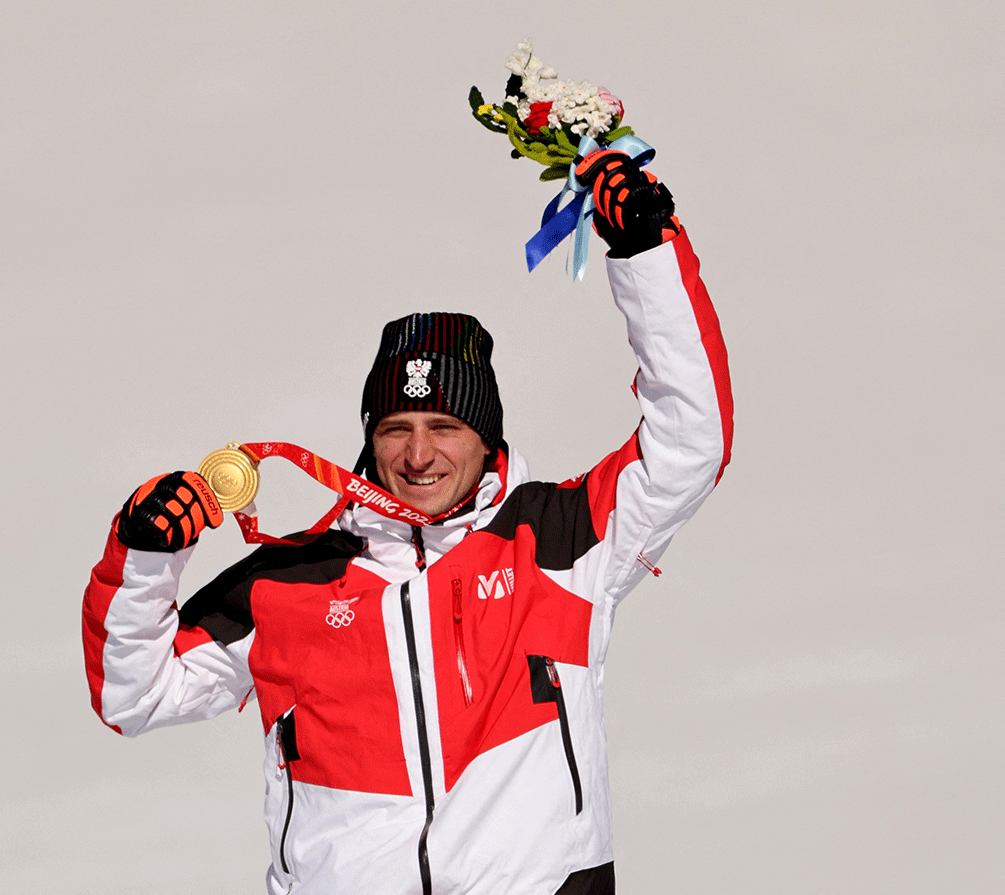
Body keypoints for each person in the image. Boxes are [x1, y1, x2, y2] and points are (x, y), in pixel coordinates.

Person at [82, 148, 733, 895]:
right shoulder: (288, 583)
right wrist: (144, 553)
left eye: (444, 425)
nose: (419, 454)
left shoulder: (560, 539)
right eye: (396, 426)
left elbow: (691, 442)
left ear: (487, 436)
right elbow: (133, 694)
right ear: (369, 436)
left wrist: (646, 252)